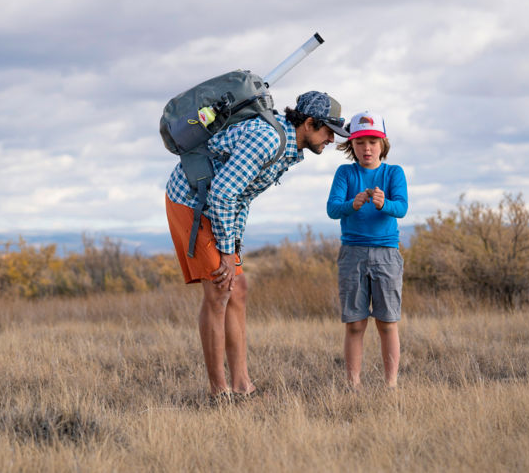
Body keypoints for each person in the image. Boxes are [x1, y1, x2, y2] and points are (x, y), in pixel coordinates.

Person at [166, 91, 347, 401]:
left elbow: (242, 197)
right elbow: (224, 194)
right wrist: (225, 253)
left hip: (215, 207)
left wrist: (233, 246)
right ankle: (219, 392)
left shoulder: (286, 146)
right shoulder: (268, 140)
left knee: (239, 287)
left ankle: (242, 386)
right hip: (191, 202)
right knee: (219, 289)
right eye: (328, 130)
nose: (331, 139)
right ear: (308, 123)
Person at [326, 111, 408, 389]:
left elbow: (402, 208)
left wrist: (384, 203)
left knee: (387, 323)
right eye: (360, 142)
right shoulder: (345, 173)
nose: (367, 148)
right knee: (355, 324)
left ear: (383, 144)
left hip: (387, 254)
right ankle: (353, 385)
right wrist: (353, 203)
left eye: (373, 141)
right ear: (352, 145)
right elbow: (332, 209)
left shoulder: (393, 173)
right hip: (352, 254)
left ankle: (391, 385)